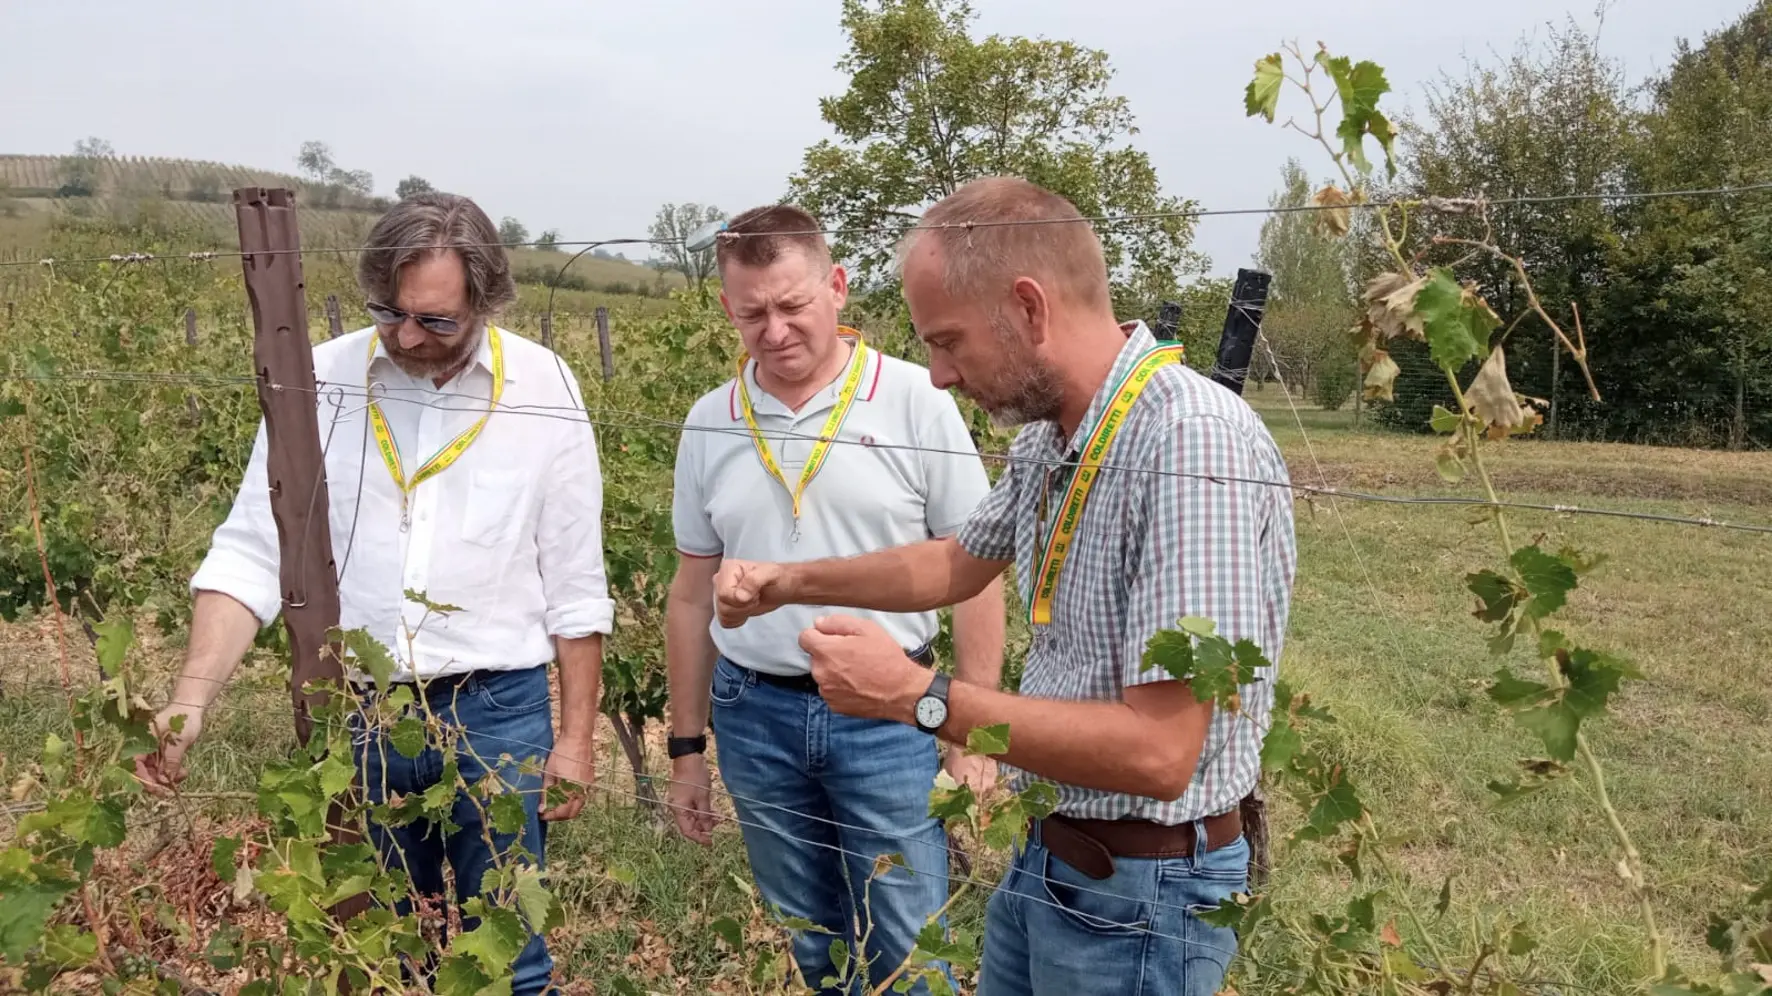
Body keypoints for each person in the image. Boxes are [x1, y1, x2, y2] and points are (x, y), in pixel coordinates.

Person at [711, 177, 1297, 996]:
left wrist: (918, 696)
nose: (941, 376)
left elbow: (1163, 753)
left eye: (948, 341)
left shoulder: (1187, 446)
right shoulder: (1051, 438)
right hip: (1054, 858)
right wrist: (788, 580)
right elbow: (953, 563)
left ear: (1028, 308)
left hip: (1142, 895)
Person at [133, 191, 612, 996]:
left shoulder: (543, 384)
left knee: (513, 959)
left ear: (486, 302)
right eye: (390, 313)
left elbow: (574, 578)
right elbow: (254, 549)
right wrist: (191, 700)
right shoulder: (317, 377)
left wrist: (574, 738)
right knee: (382, 947)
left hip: (496, 715)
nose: (407, 336)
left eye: (437, 322)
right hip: (358, 714)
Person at [663, 203, 1005, 995]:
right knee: (807, 939)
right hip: (755, 716)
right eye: (752, 314)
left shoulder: (917, 400)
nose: (775, 331)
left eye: (793, 305)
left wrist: (971, 726)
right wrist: (687, 750)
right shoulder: (709, 421)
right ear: (727, 309)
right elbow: (690, 597)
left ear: (838, 287)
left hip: (890, 717)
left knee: (910, 945)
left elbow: (976, 573)